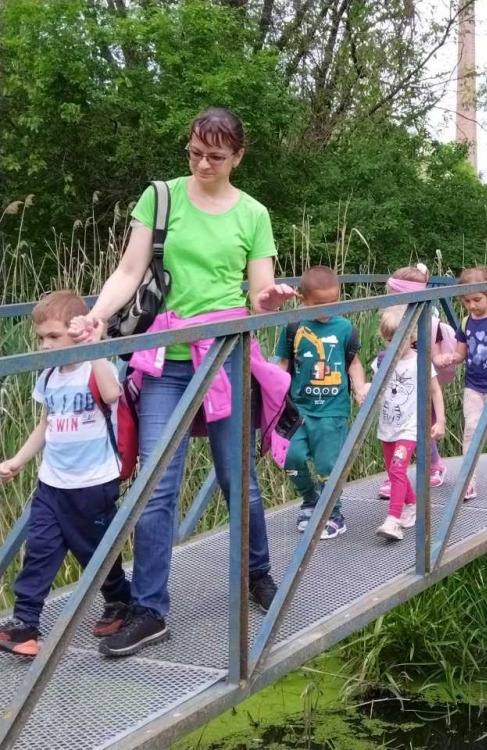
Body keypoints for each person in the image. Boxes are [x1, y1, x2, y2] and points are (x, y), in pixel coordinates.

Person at [69, 108, 297, 658]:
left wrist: (268, 300)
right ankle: (150, 610)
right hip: (164, 360)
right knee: (156, 486)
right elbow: (129, 271)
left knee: (237, 477)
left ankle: (257, 574)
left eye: (215, 156)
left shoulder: (254, 213)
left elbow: (259, 290)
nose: (203, 164)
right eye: (195, 152)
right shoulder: (161, 197)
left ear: (238, 156)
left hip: (225, 356)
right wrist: (95, 317)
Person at [0, 291, 133, 657]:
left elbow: (111, 393)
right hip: (52, 483)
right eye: (40, 337)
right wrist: (19, 460)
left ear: (76, 334)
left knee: (95, 552)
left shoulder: (95, 368)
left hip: (93, 483)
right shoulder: (49, 377)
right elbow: (46, 425)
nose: (46, 345)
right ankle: (25, 623)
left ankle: (120, 600)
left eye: (54, 336)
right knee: (39, 550)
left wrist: (94, 346)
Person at [274, 265, 369, 538]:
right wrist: (272, 395)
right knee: (290, 458)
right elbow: (282, 363)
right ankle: (310, 499)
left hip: (332, 410)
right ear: (303, 299)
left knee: (328, 465)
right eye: (319, 304)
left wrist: (359, 388)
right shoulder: (294, 326)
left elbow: (353, 363)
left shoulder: (344, 327)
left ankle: (334, 513)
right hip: (298, 409)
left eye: (333, 302)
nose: (327, 309)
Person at [434, 266, 487, 499]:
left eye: (477, 300)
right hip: (472, 385)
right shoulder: (465, 323)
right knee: (471, 430)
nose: (472, 305)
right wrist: (450, 358)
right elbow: (461, 354)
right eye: (466, 301)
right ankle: (468, 481)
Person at [375, 306, 446, 541]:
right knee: (392, 470)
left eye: (400, 339)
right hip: (388, 425)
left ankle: (393, 520)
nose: (394, 345)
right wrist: (363, 390)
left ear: (411, 336)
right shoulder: (382, 361)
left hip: (410, 425)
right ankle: (411, 504)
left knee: (397, 469)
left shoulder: (420, 361)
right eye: (389, 340)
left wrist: (440, 421)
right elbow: (375, 386)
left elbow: (435, 391)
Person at [379, 263, 449, 494]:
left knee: (424, 426)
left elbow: (433, 351)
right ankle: (393, 474)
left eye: (394, 295)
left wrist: (439, 359)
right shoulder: (392, 317)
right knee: (395, 426)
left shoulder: (426, 319)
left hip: (421, 380)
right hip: (401, 380)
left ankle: (434, 465)